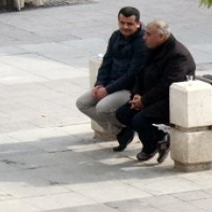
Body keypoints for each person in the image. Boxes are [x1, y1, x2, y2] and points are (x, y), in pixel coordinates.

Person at [116, 19, 196, 165]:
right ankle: (160, 138)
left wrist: (144, 101)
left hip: (169, 100)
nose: (144, 37)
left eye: (148, 34)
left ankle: (149, 147)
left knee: (140, 119)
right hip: (148, 96)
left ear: (161, 36)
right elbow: (139, 74)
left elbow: (167, 85)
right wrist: (137, 94)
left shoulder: (178, 55)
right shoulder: (150, 48)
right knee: (123, 113)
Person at [76, 7, 146, 152]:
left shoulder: (142, 42)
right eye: (122, 23)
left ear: (137, 23)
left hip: (129, 88)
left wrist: (107, 90)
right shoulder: (115, 36)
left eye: (129, 24)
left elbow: (132, 74)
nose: (125, 27)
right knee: (82, 103)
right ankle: (121, 131)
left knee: (102, 108)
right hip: (109, 84)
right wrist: (99, 84)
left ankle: (128, 127)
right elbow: (106, 62)